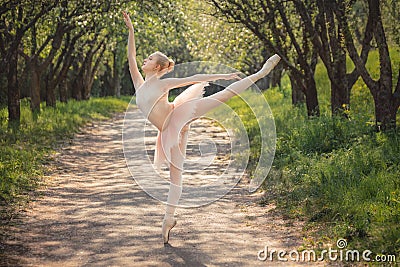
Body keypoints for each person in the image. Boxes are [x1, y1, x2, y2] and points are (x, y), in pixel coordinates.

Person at [122, 11, 280, 244]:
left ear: (158, 67)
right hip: (167, 132)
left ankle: (260, 73)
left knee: (224, 96)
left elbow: (195, 77)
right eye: (145, 59)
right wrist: (131, 30)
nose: (144, 61)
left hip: (179, 116)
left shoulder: (164, 83)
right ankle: (168, 220)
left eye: (149, 59)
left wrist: (223, 74)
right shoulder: (138, 82)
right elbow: (131, 56)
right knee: (176, 178)